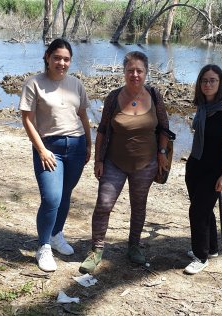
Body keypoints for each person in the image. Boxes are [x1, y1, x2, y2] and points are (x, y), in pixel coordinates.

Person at [79, 51, 173, 274]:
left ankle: (134, 246)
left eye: (139, 71)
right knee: (103, 205)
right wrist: (99, 159)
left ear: (146, 73)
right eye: (130, 70)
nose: (135, 75)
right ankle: (96, 251)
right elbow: (102, 130)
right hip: (114, 162)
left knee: (138, 207)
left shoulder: (154, 95)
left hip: (146, 163)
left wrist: (161, 153)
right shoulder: (113, 97)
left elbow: (165, 128)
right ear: (124, 72)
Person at [19, 38, 92, 272]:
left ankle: (57, 234)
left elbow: (83, 116)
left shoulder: (76, 84)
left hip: (77, 146)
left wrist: (89, 145)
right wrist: (41, 149)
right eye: (57, 58)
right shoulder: (34, 84)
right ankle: (43, 246)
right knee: (51, 198)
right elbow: (27, 120)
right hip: (49, 148)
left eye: (66, 59)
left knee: (65, 194)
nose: (62, 62)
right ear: (47, 58)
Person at [184, 64, 222, 275]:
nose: (208, 84)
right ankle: (212, 248)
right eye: (204, 80)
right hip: (196, 164)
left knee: (197, 212)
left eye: (212, 80)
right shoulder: (202, 106)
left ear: (220, 82)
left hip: (214, 169)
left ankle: (201, 256)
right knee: (204, 209)